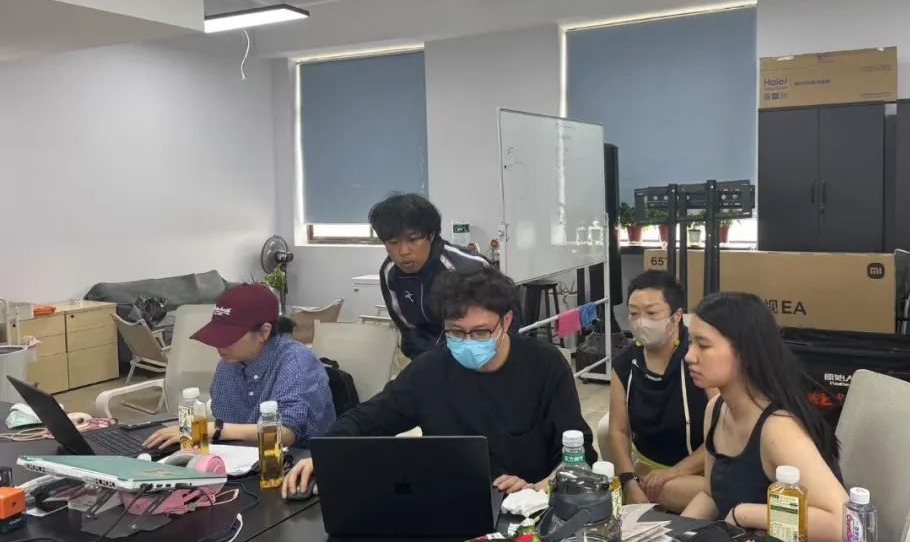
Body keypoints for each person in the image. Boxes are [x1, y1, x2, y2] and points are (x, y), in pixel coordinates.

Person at [283, 267, 596, 497]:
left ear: (507, 321)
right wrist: (324, 454)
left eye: (481, 332)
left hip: (527, 510)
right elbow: (367, 419)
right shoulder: (430, 370)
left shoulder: (544, 365)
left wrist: (539, 489)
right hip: (449, 501)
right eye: (456, 332)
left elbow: (578, 452)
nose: (467, 341)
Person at [681, 292, 847, 542]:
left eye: (703, 345)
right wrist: (675, 539)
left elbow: (847, 529)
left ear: (744, 352)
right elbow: (712, 494)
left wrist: (745, 514)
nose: (689, 356)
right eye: (691, 343)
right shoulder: (716, 409)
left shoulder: (778, 429)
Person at [145, 284, 336, 450]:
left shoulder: (296, 361)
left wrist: (212, 430)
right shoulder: (228, 364)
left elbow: (285, 433)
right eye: (217, 335)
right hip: (241, 460)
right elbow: (225, 421)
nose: (220, 345)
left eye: (230, 336)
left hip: (295, 464)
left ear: (264, 332)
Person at [609, 271, 710, 512]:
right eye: (634, 314)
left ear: (677, 316)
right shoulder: (625, 363)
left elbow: (722, 437)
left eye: (652, 313)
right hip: (648, 471)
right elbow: (618, 430)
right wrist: (629, 482)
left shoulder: (697, 357)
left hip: (698, 471)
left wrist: (674, 472)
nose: (641, 322)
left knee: (710, 492)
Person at [370, 193, 491, 359]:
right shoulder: (389, 272)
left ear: (431, 235)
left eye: (413, 239)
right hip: (427, 358)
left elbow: (501, 325)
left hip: (475, 353)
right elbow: (407, 328)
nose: (403, 251)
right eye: (393, 242)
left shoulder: (469, 267)